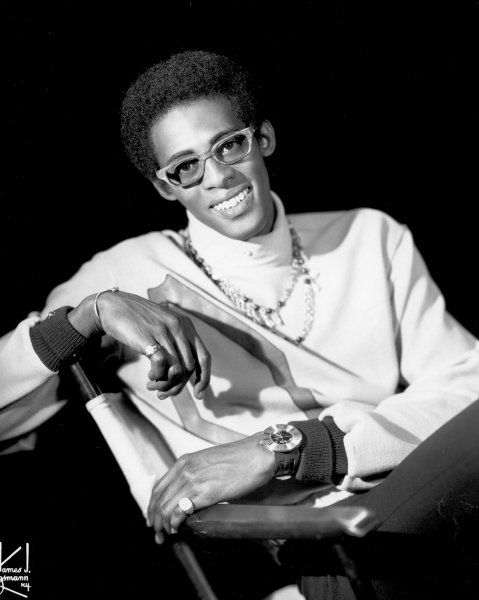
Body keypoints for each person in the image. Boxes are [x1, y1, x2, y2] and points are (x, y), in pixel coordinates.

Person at [1, 50, 479, 599]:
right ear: (165, 187)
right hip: (336, 549)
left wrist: (291, 447)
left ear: (264, 138)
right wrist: (91, 312)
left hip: (427, 502)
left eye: (229, 145)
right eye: (185, 167)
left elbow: (468, 388)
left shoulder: (370, 238)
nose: (219, 177)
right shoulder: (126, 271)